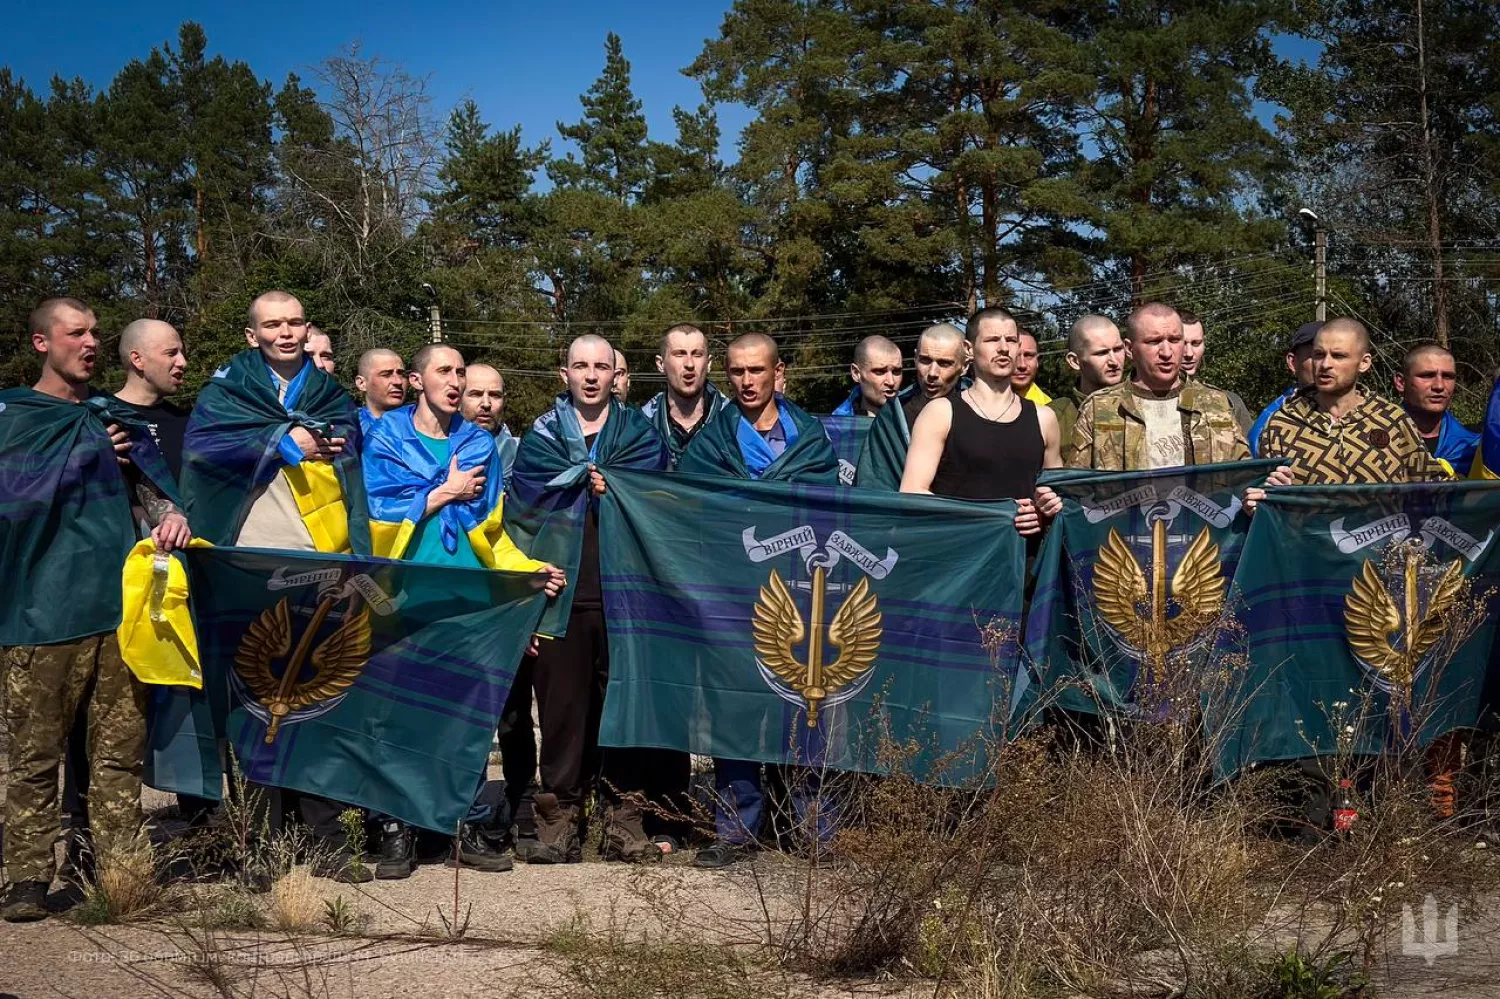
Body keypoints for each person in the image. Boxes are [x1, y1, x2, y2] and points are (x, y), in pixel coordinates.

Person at [1, 299, 189, 922]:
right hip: (39, 610)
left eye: (94, 333)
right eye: (75, 333)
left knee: (118, 754)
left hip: (118, 611)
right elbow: (13, 500)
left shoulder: (110, 417)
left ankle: (122, 872)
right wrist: (85, 456)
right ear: (40, 342)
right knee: (33, 754)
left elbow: (154, 492)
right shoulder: (13, 416)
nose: (89, 343)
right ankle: (26, 878)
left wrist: (173, 517)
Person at [180, 289, 371, 882]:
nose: (284, 333)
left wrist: (333, 446)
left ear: (307, 328)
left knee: (316, 696)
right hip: (246, 562)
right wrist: (284, 442)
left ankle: (326, 840)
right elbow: (204, 454)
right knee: (252, 697)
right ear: (252, 334)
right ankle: (259, 843)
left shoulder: (329, 393)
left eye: (293, 324)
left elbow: (349, 452)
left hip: (316, 562)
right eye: (272, 325)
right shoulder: (225, 393)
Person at [362, 344, 565, 877]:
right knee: (399, 715)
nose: (454, 381)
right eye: (444, 372)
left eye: (460, 373)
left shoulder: (479, 444)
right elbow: (371, 522)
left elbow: (489, 534)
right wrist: (441, 493)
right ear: (416, 379)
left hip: (466, 601)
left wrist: (526, 572)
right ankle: (396, 831)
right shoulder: (386, 438)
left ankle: (466, 826)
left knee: (466, 717)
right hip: (402, 597)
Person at [504, 335, 670, 865]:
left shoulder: (641, 437)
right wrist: (525, 598)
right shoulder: (540, 441)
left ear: (617, 375)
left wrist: (621, 489)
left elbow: (664, 504)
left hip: (628, 597)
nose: (592, 375)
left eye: (602, 366)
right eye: (581, 366)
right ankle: (558, 821)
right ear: (564, 374)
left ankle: (625, 821)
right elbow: (521, 521)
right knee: (561, 714)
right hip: (561, 597)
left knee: (627, 711)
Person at [678, 333, 840, 869]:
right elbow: (689, 508)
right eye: (738, 373)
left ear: (778, 372)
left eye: (757, 371)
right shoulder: (712, 441)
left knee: (806, 705)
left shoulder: (811, 437)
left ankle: (813, 826)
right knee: (735, 709)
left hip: (799, 588)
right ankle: (737, 828)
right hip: (732, 590)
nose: (747, 382)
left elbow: (830, 505)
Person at [900, 308, 1063, 532]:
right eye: (993, 339)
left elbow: (1056, 493)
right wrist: (992, 515)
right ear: (969, 349)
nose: (1004, 348)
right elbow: (912, 492)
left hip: (1024, 559)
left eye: (1011, 340)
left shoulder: (1044, 418)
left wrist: (1044, 510)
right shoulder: (940, 413)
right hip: (963, 557)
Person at [1066, 303, 1252, 471]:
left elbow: (1245, 476)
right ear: (1130, 349)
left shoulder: (1216, 404)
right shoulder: (1100, 409)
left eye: (1175, 340)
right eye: (1154, 342)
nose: (1166, 352)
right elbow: (1077, 486)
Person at [1259, 319, 1445, 485]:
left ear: (1364, 363)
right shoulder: (1282, 424)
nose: (1325, 365)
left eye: (1338, 356)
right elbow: (1262, 495)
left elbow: (1435, 488)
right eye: (1318, 355)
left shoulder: (1392, 421)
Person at [854, 322, 968, 489]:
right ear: (915, 358)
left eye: (944, 364)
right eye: (925, 360)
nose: (932, 373)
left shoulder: (981, 409)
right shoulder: (893, 416)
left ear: (964, 367)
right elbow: (875, 487)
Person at [640, 323, 730, 468]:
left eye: (697, 354)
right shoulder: (642, 425)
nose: (689, 364)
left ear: (709, 363)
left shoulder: (731, 421)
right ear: (660, 364)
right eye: (679, 354)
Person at [1395, 344, 1479, 477]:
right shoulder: (1380, 443)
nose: (1439, 386)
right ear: (1401, 383)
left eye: (1448, 376)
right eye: (1427, 376)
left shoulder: (1473, 449)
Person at [1049, 315, 1126, 446]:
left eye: (1118, 349)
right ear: (1074, 361)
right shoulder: (1055, 418)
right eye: (1102, 353)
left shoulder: (1142, 406)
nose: (1114, 361)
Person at [1249, 322, 1322, 455]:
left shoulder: (1368, 411)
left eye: (1338, 355)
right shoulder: (1271, 422)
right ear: (1293, 362)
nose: (1328, 363)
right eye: (1317, 355)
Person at [1176, 310, 1252, 430]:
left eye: (1196, 343)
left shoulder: (1229, 403)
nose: (1189, 353)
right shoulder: (1143, 404)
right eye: (1182, 344)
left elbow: (1251, 447)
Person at [460, 363, 519, 489]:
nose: (486, 404)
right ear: (458, 399)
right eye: (476, 394)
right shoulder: (433, 450)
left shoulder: (521, 456)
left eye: (495, 395)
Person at [833, 335, 902, 417]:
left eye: (896, 371)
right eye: (880, 371)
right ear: (856, 373)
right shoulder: (838, 426)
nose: (891, 382)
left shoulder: (915, 415)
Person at [354, 348, 407, 436]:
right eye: (386, 375)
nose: (398, 381)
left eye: (402, 374)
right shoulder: (350, 428)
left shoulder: (421, 424)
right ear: (361, 383)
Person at [1012, 329, 1051, 405]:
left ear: (1038, 361)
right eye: (1015, 356)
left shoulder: (1049, 409)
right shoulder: (983, 405)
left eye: (1028, 355)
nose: (1022, 365)